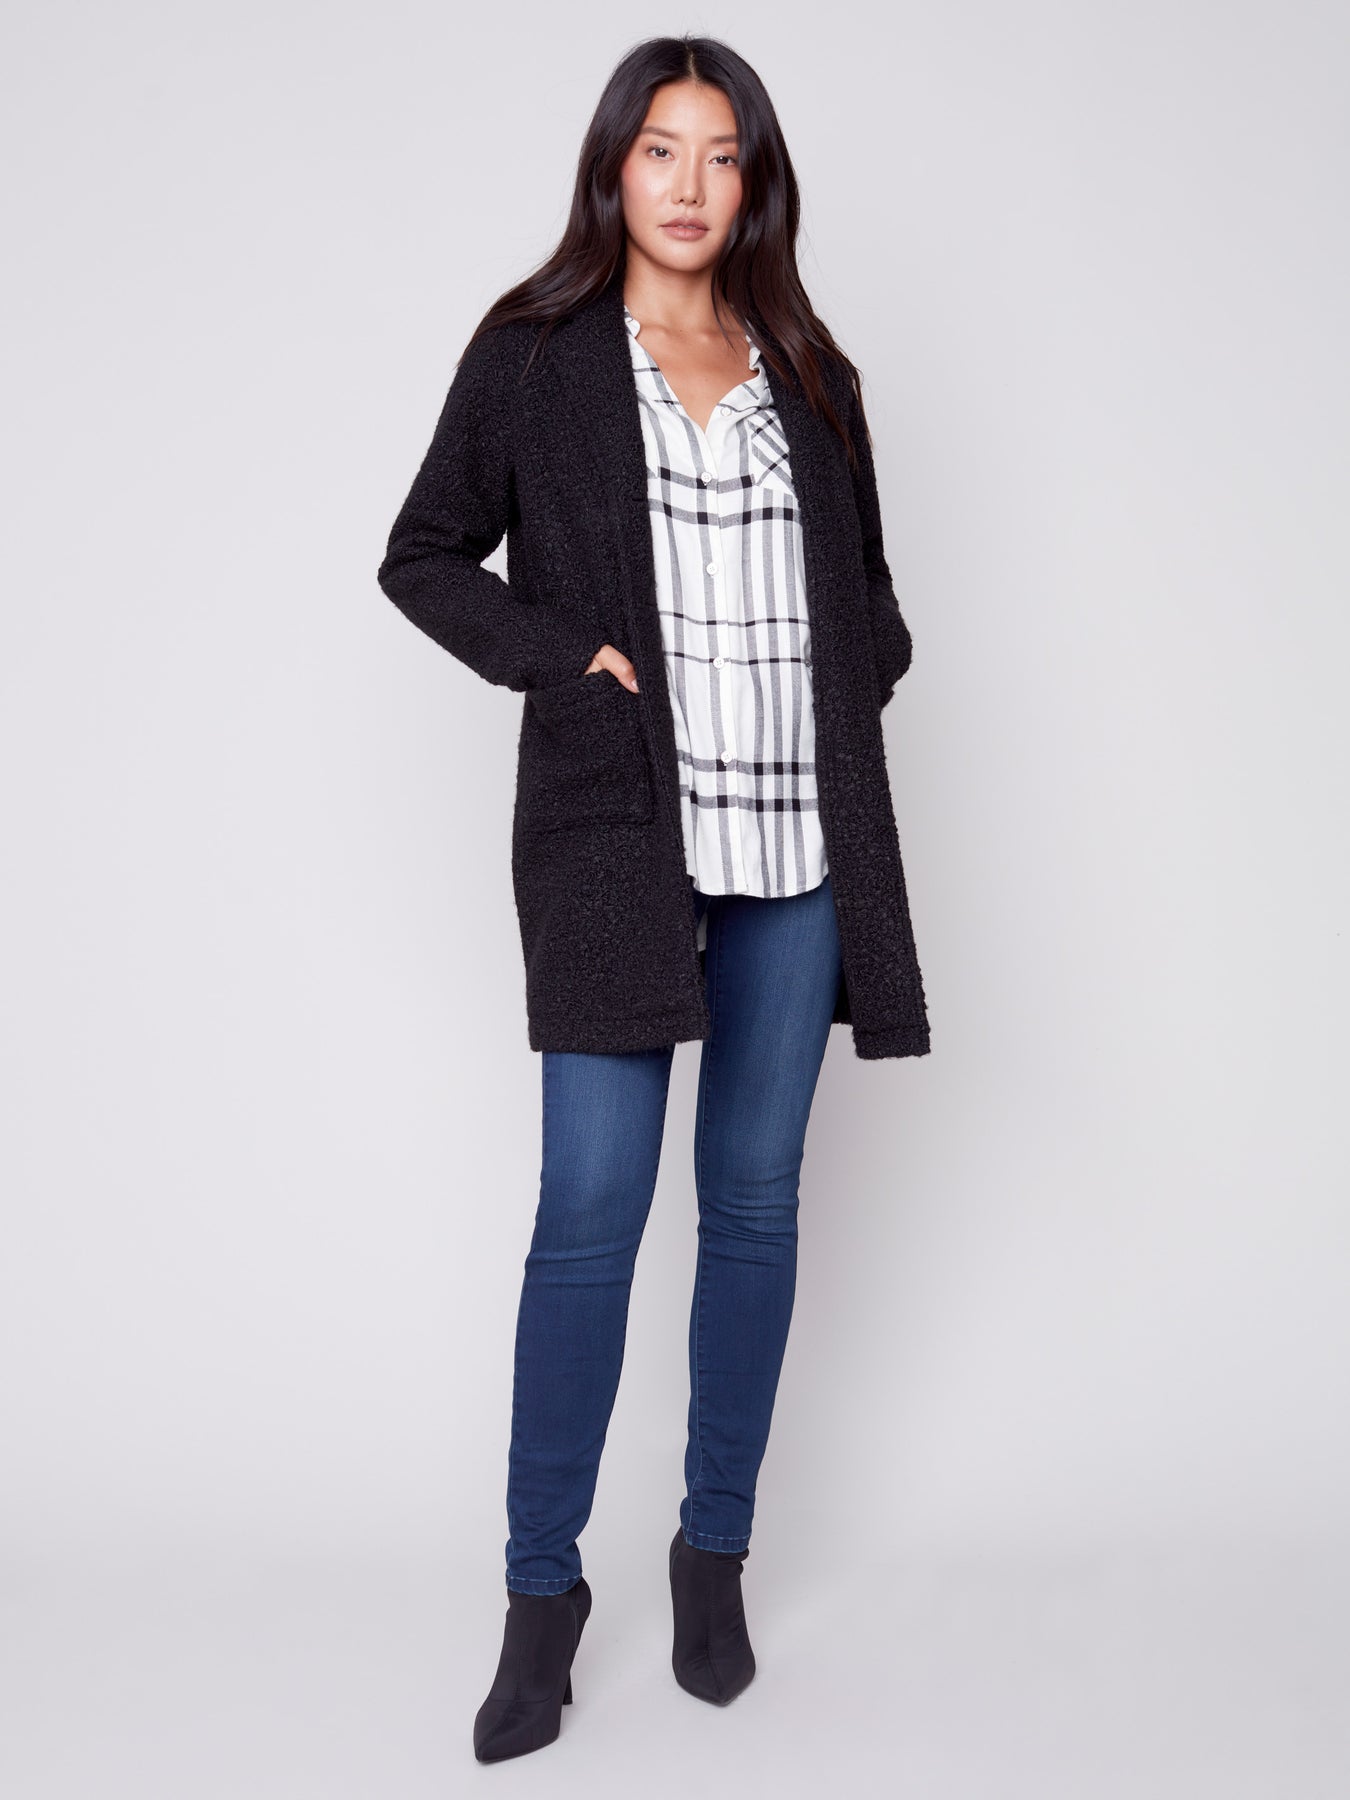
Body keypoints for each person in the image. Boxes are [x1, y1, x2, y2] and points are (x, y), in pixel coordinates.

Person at [376, 34, 930, 1766]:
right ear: (611, 167)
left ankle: (712, 1557)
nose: (690, 185)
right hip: (618, 836)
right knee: (591, 1213)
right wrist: (569, 659)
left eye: (722, 154)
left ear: (755, 181)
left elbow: (872, 604)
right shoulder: (533, 356)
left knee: (751, 1205)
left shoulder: (809, 372)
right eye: (660, 151)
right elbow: (422, 555)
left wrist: (833, 702)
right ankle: (541, 1601)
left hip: (796, 848)